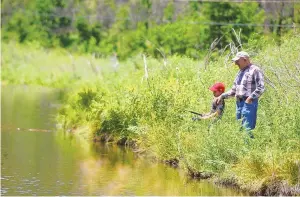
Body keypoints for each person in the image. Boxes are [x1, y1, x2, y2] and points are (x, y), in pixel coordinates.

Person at [216, 51, 265, 136]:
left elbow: (261, 87)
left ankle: (249, 148)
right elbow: (233, 91)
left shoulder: (255, 70)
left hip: (249, 103)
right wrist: (222, 96)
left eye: (237, 61)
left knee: (247, 129)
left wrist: (250, 99)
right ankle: (244, 148)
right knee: (240, 129)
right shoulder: (240, 72)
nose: (235, 63)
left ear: (245, 59)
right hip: (239, 104)